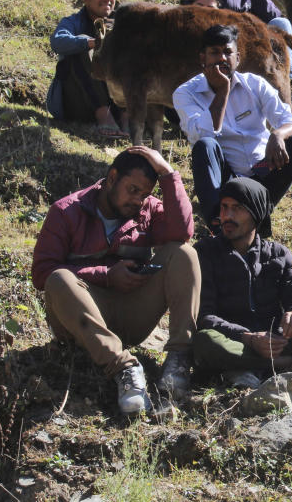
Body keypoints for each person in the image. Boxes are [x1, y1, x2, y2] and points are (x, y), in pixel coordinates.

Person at [31, 147, 199, 414]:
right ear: (111, 178)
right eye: (132, 190)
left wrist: (168, 174)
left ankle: (178, 359)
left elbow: (182, 231)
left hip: (131, 315)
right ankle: (125, 370)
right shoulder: (66, 211)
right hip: (81, 322)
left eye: (144, 194)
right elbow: (42, 273)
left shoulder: (148, 210)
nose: (138, 200)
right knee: (59, 278)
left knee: (183, 253)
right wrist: (107, 276)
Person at [192, 178, 292, 388]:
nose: (227, 216)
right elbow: (204, 316)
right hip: (234, 342)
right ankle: (291, 363)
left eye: (237, 208)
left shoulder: (278, 254)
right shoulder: (204, 252)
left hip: (276, 341)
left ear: (256, 213)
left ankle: (256, 366)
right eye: (224, 207)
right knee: (205, 341)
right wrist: (248, 338)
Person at [173, 24, 292, 237]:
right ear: (202, 58)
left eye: (227, 52)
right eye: (214, 53)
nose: (221, 58)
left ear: (238, 58)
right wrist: (222, 92)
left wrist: (278, 134)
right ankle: (218, 228)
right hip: (226, 181)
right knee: (205, 146)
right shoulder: (186, 93)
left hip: (263, 173)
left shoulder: (255, 84)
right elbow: (201, 135)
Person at [47, 0, 126, 138]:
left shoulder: (121, 22)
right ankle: (103, 117)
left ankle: (127, 119)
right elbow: (57, 41)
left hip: (117, 102)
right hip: (79, 102)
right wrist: (93, 43)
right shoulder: (72, 22)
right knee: (82, 44)